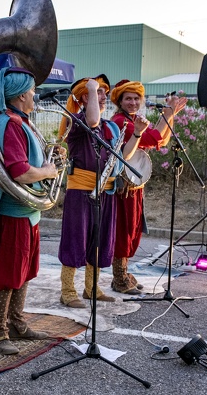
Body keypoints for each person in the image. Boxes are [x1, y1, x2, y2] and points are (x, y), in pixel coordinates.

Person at [0, 66, 56, 355]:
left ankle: (17, 324)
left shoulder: (17, 120)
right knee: (8, 274)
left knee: (23, 272)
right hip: (14, 214)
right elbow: (20, 172)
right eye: (32, 90)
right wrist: (48, 171)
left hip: (26, 213)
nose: (35, 94)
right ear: (22, 94)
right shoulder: (10, 123)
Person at [57, 75, 147, 308]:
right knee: (75, 240)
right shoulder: (77, 121)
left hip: (105, 191)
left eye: (103, 92)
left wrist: (136, 133)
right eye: (98, 92)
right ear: (85, 97)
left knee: (99, 240)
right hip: (81, 190)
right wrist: (90, 85)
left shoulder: (111, 127)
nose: (104, 96)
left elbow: (123, 156)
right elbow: (93, 120)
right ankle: (67, 291)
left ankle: (92, 288)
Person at [109, 80, 187, 294]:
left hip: (134, 187)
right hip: (123, 188)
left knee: (131, 231)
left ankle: (123, 274)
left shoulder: (134, 120)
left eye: (136, 98)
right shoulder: (120, 122)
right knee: (123, 232)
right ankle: (119, 278)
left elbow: (159, 140)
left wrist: (169, 115)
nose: (133, 102)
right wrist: (168, 113)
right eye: (128, 99)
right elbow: (155, 137)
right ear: (120, 101)